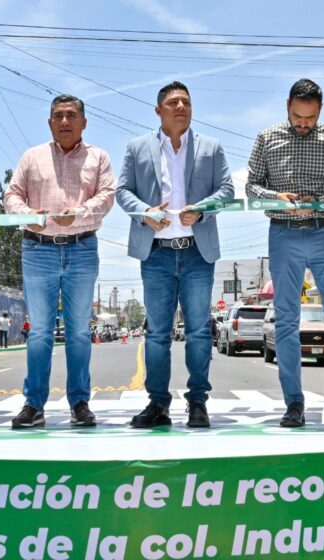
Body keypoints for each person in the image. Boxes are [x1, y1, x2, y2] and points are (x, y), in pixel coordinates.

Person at [246, 78, 324, 430]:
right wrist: (277, 199)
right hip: (283, 235)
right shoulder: (266, 138)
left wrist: (321, 203)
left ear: (321, 111)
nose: (304, 123)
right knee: (286, 321)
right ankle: (294, 405)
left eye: (310, 117)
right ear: (288, 106)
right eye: (298, 116)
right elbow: (251, 187)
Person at [116, 81, 234, 429]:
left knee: (198, 331)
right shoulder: (137, 148)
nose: (180, 106)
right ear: (158, 111)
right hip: (156, 253)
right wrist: (143, 212)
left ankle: (198, 402)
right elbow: (122, 190)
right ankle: (158, 404)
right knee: (157, 333)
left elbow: (226, 190)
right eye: (172, 102)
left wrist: (203, 210)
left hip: (197, 252)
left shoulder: (211, 148)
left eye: (186, 101)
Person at [4, 93, 115, 429]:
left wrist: (78, 214)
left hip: (82, 249)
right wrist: (27, 214)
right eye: (58, 116)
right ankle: (34, 405)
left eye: (71, 115)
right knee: (39, 331)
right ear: (50, 122)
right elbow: (12, 195)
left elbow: (107, 195)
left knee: (79, 332)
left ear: (83, 122)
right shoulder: (31, 157)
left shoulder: (98, 158)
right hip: (38, 250)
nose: (64, 121)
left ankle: (79, 403)